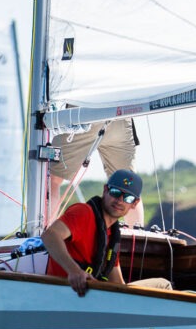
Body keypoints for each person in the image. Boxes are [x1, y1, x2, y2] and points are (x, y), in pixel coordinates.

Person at [42, 168, 170, 296]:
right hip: (67, 293)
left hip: (94, 295)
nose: (120, 200)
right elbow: (50, 235)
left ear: (134, 203)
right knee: (165, 285)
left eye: (128, 198)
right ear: (105, 190)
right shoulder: (84, 213)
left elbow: (117, 283)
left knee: (163, 284)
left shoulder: (113, 235)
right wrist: (74, 270)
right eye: (115, 192)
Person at [48, 119, 144, 226]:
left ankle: (41, 231)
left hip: (82, 117)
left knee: (53, 179)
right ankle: (137, 233)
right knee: (128, 187)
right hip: (120, 118)